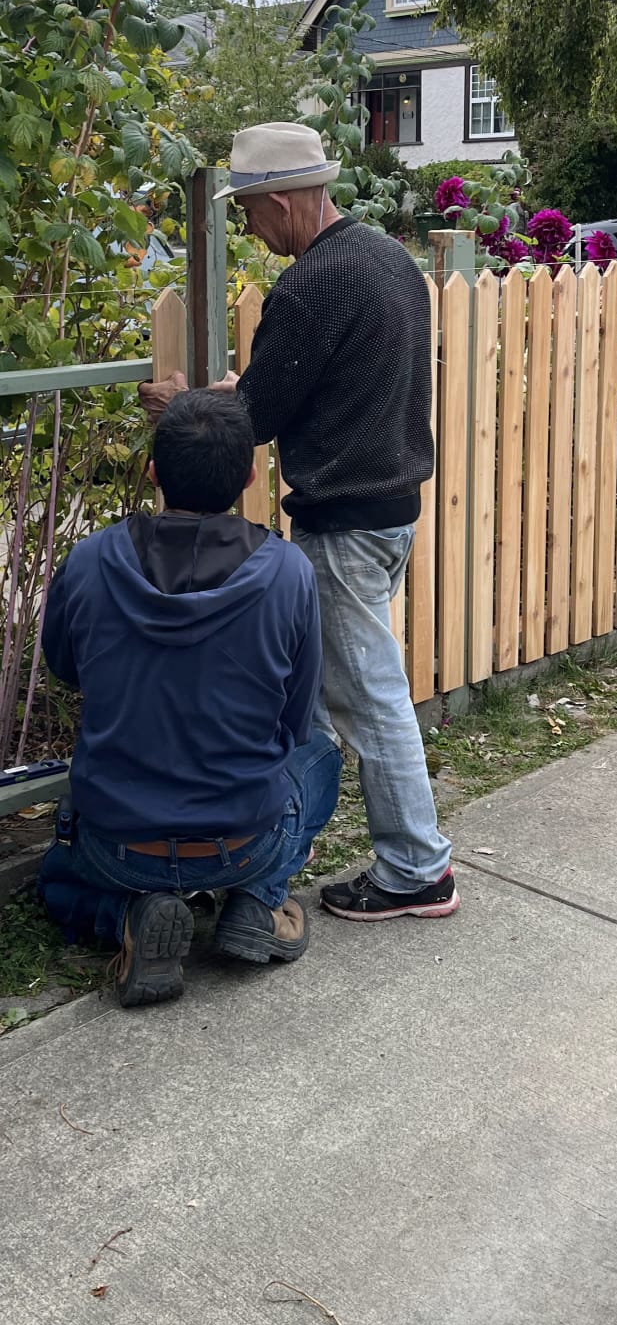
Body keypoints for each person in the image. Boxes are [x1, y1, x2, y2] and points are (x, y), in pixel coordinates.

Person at [139, 120, 459, 923]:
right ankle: (282, 845)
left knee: (366, 696)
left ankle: (418, 868)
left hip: (343, 523)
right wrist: (235, 390)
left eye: (250, 212)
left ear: (282, 201)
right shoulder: (387, 258)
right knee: (315, 694)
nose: (249, 227)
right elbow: (322, 380)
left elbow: (257, 420)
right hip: (390, 511)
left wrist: (184, 407)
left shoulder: (314, 284)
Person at [38, 388, 341, 1008]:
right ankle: (257, 902)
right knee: (323, 757)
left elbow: (65, 668)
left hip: (119, 844)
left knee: (54, 881)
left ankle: (128, 912)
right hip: (242, 842)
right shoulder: (288, 573)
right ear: (252, 475)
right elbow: (298, 710)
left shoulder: (90, 560)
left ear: (153, 471)